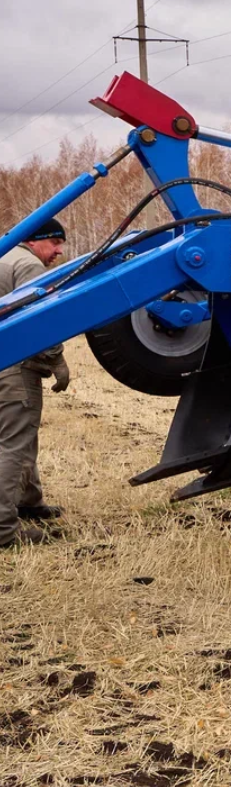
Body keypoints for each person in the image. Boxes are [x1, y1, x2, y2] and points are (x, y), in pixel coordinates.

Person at [0, 219, 70, 548]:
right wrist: (56, 359)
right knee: (13, 443)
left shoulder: (6, 258)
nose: (59, 250)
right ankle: (3, 529)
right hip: (13, 366)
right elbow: (40, 320)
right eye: (55, 242)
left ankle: (29, 501)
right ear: (35, 240)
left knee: (19, 437)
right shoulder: (27, 264)